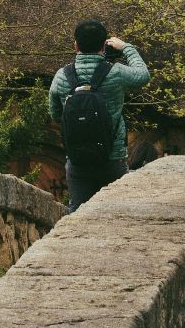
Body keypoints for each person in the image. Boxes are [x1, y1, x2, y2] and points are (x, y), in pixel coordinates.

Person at [48, 18, 150, 210]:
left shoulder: (62, 76)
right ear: (104, 46)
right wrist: (126, 47)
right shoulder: (116, 72)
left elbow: (55, 114)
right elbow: (143, 75)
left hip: (77, 160)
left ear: (75, 45)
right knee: (117, 212)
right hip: (112, 157)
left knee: (78, 214)